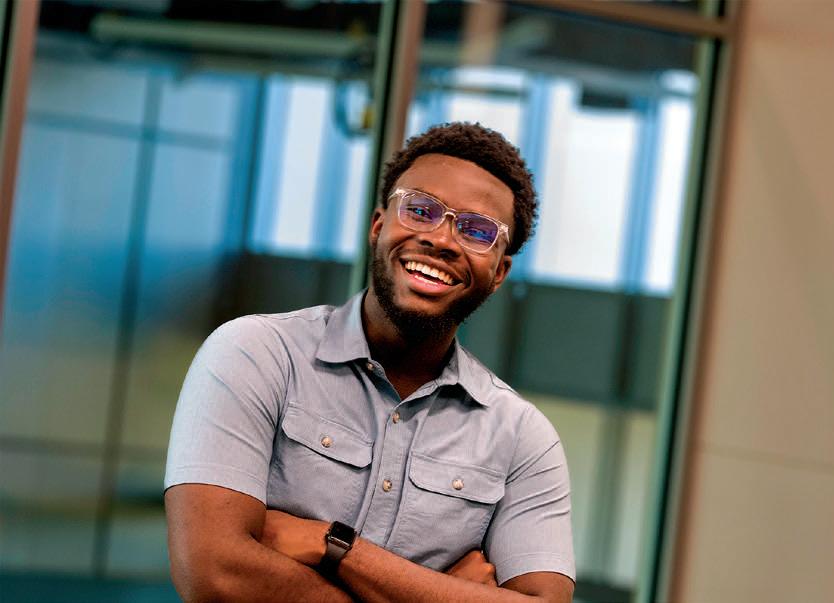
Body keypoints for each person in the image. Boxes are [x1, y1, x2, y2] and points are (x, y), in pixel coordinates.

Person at [165, 122, 575, 602]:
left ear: (499, 271)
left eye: (477, 230)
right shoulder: (256, 354)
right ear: (379, 225)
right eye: (420, 210)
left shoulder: (524, 439)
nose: (443, 240)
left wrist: (336, 547)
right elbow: (214, 575)